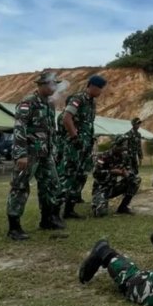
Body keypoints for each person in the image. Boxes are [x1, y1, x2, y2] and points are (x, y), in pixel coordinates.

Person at [6, 71, 64, 240]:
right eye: (51, 84)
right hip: (29, 153)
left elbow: (50, 130)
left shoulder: (49, 104)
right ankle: (14, 227)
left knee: (51, 184)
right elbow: (19, 128)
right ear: (42, 85)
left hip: (46, 154)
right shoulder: (28, 102)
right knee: (20, 187)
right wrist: (21, 154)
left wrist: (53, 150)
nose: (54, 88)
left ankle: (47, 219)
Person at [56, 75, 107, 219]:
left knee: (80, 177)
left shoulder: (91, 103)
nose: (101, 92)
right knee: (67, 177)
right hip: (74, 146)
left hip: (85, 146)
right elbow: (67, 118)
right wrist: (74, 137)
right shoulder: (78, 99)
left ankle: (69, 210)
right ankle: (53, 212)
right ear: (92, 86)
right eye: (100, 89)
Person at [91, 135, 140, 216]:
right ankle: (97, 202)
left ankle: (123, 207)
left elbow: (130, 172)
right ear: (116, 145)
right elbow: (95, 173)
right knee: (101, 213)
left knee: (135, 180)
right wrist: (111, 172)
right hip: (101, 188)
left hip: (113, 187)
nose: (124, 149)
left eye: (125, 148)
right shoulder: (103, 156)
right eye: (122, 147)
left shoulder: (124, 157)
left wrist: (126, 174)